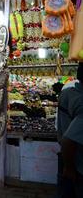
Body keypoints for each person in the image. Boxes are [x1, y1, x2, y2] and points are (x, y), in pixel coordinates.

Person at [57, 63, 83, 198]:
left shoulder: (66, 92)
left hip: (64, 152)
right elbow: (69, 140)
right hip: (75, 161)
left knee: (64, 190)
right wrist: (69, 166)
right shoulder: (80, 100)